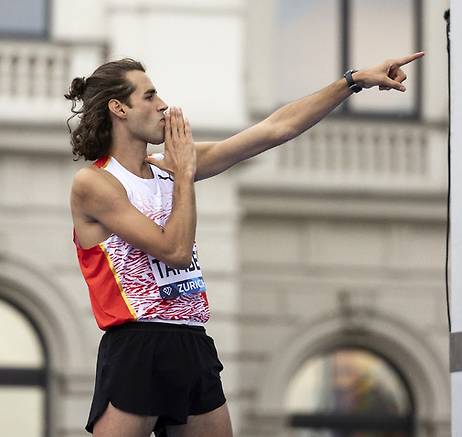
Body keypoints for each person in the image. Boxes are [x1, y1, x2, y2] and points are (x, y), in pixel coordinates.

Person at [67, 51, 424, 437]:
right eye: (150, 96)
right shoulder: (96, 184)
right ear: (118, 108)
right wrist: (184, 175)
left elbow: (275, 129)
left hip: (191, 340)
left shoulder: (170, 167)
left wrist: (352, 81)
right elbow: (174, 249)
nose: (164, 105)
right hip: (137, 344)